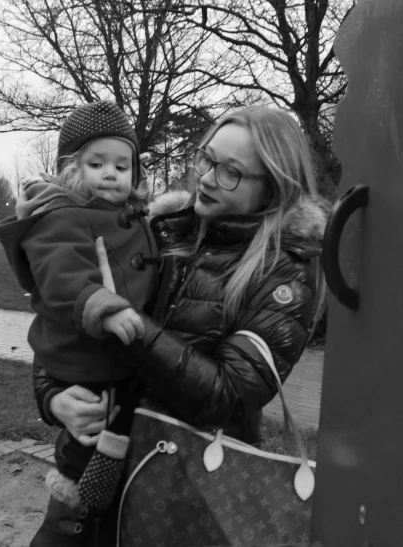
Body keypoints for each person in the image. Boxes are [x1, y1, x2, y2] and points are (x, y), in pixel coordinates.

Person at [34, 105, 331, 545]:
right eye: (206, 158)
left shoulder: (283, 272)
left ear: (271, 187)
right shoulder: (159, 228)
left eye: (231, 171)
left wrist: (130, 326)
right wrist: (52, 395)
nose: (208, 177)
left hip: (183, 489)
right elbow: (66, 315)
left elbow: (230, 395)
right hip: (91, 468)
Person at [0, 101, 158, 547]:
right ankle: (72, 525)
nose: (110, 173)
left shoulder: (140, 219)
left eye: (122, 165)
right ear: (71, 169)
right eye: (96, 163)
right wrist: (107, 307)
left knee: (109, 448)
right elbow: (64, 277)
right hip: (83, 365)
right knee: (81, 465)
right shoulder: (62, 218)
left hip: (120, 373)